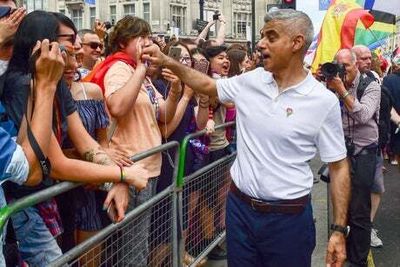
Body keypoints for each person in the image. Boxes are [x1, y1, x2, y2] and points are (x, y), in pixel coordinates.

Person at [143, 9, 350, 267]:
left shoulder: (323, 101)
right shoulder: (251, 81)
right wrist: (168, 61)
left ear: (296, 43)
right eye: (262, 36)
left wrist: (339, 231)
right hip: (239, 213)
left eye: (271, 37)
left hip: (289, 222)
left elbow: (339, 167)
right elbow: (208, 86)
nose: (261, 43)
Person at [1, 11, 147, 266]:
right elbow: (55, 163)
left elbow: (86, 143)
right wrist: (121, 176)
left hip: (49, 196)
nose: (76, 48)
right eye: (68, 41)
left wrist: (115, 176)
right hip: (25, 204)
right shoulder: (23, 84)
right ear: (42, 42)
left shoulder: (52, 81)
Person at [328, 48, 380, 267]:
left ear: (355, 65)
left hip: (364, 152)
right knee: (341, 208)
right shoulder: (331, 86)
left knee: (359, 209)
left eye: (346, 66)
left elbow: (363, 115)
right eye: (338, 66)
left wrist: (342, 91)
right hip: (341, 152)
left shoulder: (371, 85)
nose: (342, 71)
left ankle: (358, 261)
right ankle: (344, 249)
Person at [351, 44, 385, 248]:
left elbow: (368, 113)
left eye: (368, 57)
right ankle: (350, 228)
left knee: (376, 187)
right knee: (350, 191)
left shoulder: (374, 81)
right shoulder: (340, 80)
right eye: (362, 58)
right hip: (346, 146)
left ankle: (367, 226)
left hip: (371, 145)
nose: (367, 61)